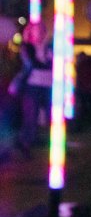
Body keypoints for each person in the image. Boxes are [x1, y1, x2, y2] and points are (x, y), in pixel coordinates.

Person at [13, 22, 51, 156]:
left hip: (48, 86)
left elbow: (53, 63)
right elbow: (33, 64)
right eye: (36, 30)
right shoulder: (27, 47)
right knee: (31, 117)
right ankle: (25, 144)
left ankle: (31, 140)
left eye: (41, 30)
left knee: (50, 115)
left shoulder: (49, 47)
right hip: (32, 86)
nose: (39, 33)